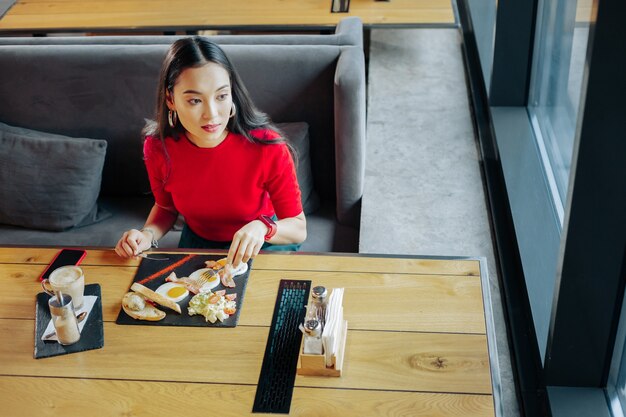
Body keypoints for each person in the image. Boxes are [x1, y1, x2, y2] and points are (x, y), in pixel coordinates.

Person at [115, 37, 306, 266]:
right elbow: (166, 208)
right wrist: (146, 235)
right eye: (195, 100)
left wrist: (263, 227)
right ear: (170, 99)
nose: (212, 114)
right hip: (199, 243)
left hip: (265, 241)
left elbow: (297, 228)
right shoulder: (157, 148)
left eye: (221, 96)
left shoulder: (267, 147)